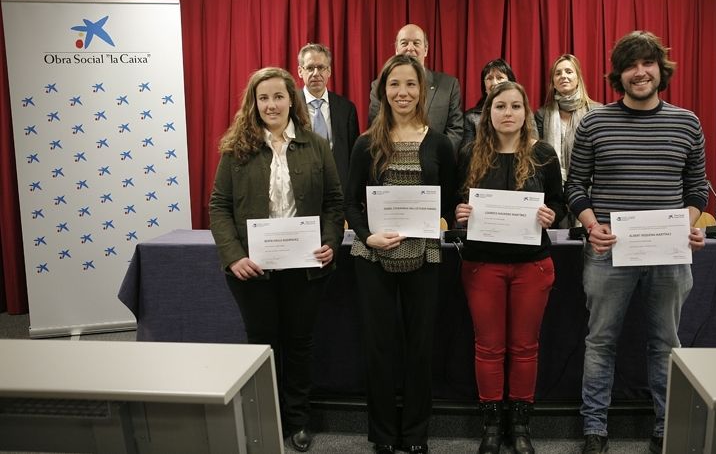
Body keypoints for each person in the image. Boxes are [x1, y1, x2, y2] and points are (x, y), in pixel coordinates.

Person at [564, 31, 708, 454]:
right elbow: (575, 186)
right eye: (630, 65)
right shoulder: (594, 122)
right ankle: (594, 430)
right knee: (601, 341)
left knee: (666, 343)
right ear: (619, 74)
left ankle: (666, 429)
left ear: (661, 71)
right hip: (608, 252)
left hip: (668, 255)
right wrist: (592, 225)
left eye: (647, 63)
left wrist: (688, 224)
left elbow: (696, 188)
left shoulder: (687, 122)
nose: (640, 72)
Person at [209, 67, 344, 453]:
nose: (271, 104)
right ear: (254, 103)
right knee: (262, 345)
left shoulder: (316, 146)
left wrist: (331, 242)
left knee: (300, 344)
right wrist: (234, 256)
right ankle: (264, 420)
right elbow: (218, 207)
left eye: (278, 96)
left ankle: (298, 419)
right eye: (263, 97)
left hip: (305, 267)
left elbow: (335, 203)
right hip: (253, 271)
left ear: (292, 100)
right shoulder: (237, 148)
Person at [347, 54, 456, 454]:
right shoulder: (365, 143)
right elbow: (350, 203)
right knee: (379, 347)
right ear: (383, 91)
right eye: (394, 85)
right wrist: (367, 236)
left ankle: (414, 434)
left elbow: (450, 199)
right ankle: (383, 434)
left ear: (422, 90)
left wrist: (442, 220)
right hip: (372, 256)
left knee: (419, 346)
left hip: (424, 256)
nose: (402, 92)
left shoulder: (440, 143)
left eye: (410, 84)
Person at [455, 81, 566, 454]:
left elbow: (559, 203)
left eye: (515, 106)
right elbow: (454, 202)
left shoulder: (543, 155)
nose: (507, 113)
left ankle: (519, 425)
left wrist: (553, 214)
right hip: (482, 266)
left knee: (524, 348)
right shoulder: (470, 153)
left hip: (531, 267)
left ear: (525, 113)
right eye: (499, 106)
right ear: (488, 113)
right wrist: (458, 213)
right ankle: (491, 424)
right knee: (488, 348)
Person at [368, 23, 464, 154]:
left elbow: (455, 129)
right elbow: (376, 126)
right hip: (391, 158)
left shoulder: (449, 85)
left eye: (416, 43)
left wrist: (433, 158)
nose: (410, 48)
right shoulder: (380, 85)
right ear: (396, 49)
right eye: (404, 43)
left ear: (426, 49)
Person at [535, 54, 600, 228]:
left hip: (590, 190)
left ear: (578, 78)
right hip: (553, 191)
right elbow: (538, 157)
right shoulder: (542, 114)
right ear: (553, 82)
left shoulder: (596, 111)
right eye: (558, 73)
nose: (563, 76)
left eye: (569, 71)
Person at [297, 42, 360, 184]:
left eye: (321, 67)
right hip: (302, 186)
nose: (316, 73)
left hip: (339, 187)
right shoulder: (290, 107)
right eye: (310, 68)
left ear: (329, 71)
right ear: (300, 71)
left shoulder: (346, 108)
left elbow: (354, 156)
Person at [460, 58, 518, 151]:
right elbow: (466, 154)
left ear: (511, 83)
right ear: (484, 86)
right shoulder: (471, 117)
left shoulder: (523, 113)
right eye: (489, 78)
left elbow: (533, 149)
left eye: (500, 78)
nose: (494, 83)